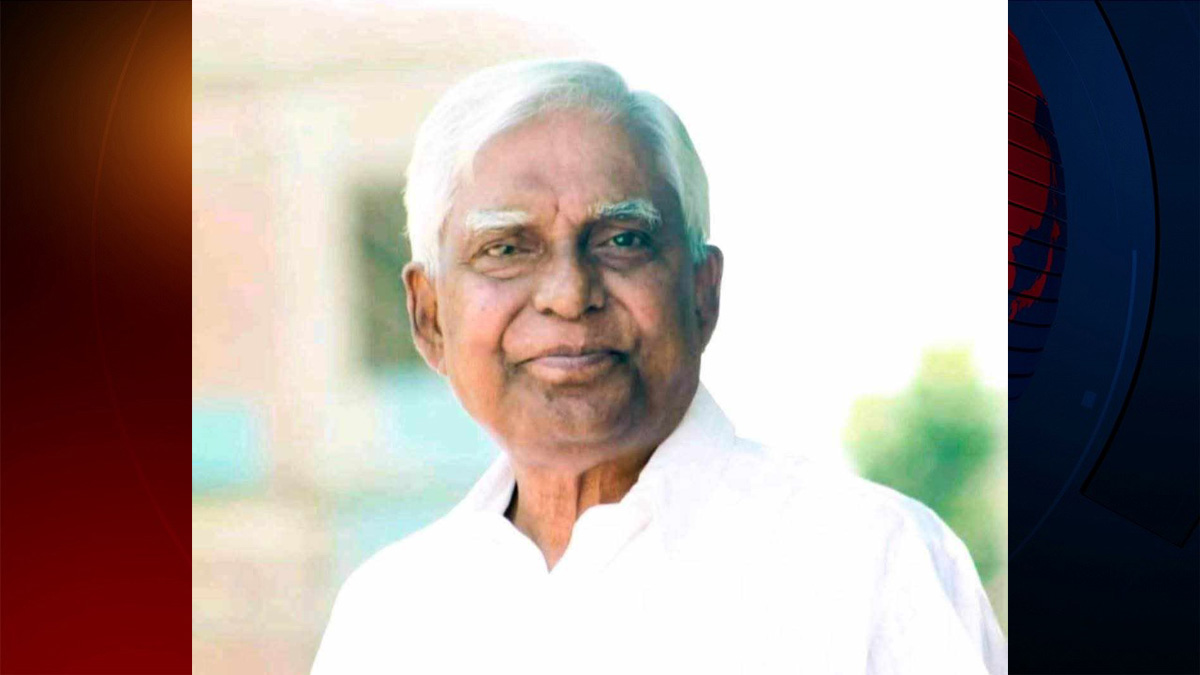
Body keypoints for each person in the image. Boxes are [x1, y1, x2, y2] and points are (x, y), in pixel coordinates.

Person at [312, 59, 1006, 674]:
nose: (568, 294)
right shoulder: (388, 615)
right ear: (429, 315)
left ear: (703, 292)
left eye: (622, 239)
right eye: (507, 248)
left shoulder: (866, 564)